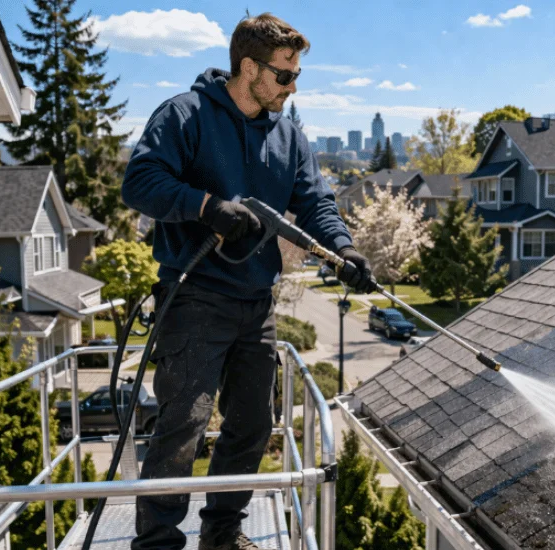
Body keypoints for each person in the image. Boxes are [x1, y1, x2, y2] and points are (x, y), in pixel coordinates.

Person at [121, 13, 375, 550]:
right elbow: (140, 181)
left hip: (255, 302)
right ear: (248, 68)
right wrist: (207, 207)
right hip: (192, 297)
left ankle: (222, 533)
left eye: (296, 75)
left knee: (253, 422)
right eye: (285, 75)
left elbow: (316, 203)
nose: (292, 85)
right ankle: (159, 543)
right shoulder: (186, 115)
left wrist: (345, 251)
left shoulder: (290, 136)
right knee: (183, 424)